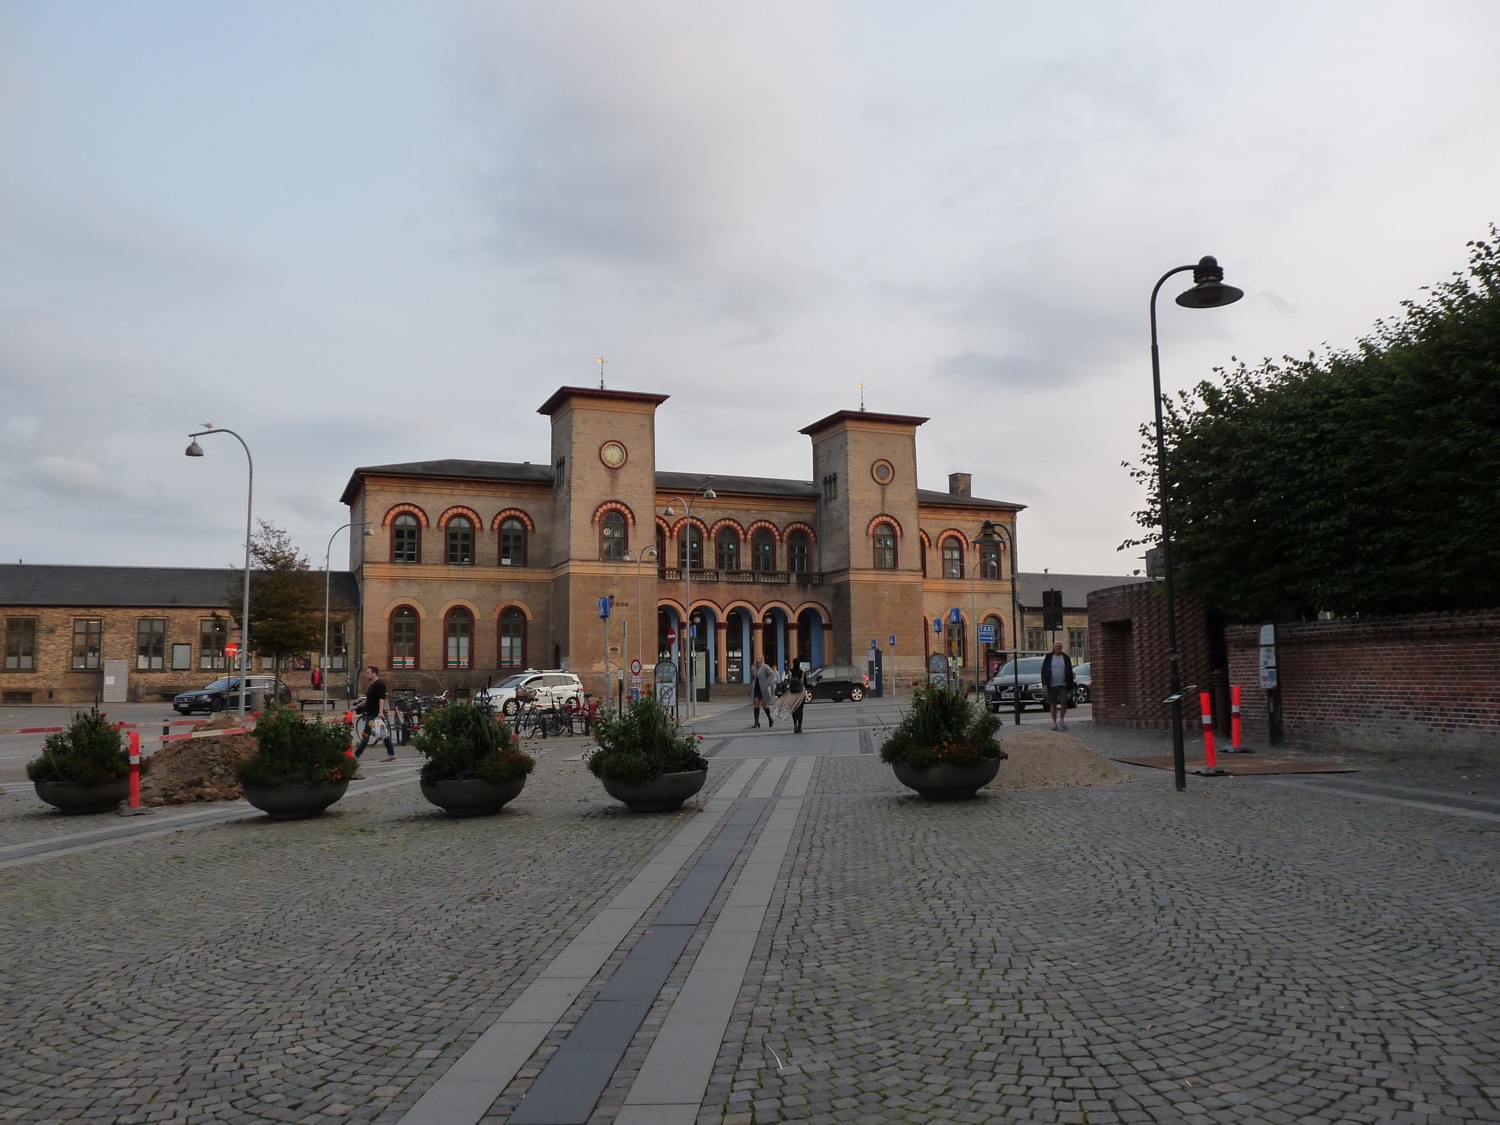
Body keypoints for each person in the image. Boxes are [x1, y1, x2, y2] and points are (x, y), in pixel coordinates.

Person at [354, 664, 396, 760]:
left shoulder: (379, 685)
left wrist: (380, 712)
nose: (366, 675)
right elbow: (368, 699)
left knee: (366, 734)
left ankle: (356, 755)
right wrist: (357, 706)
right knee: (383, 734)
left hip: (375, 714)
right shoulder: (372, 685)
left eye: (368, 673)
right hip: (371, 713)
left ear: (374, 674)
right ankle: (391, 753)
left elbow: (381, 699)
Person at [1039, 640, 1076, 731]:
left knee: (1064, 702)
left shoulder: (1065, 658)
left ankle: (1062, 720)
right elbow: (1043, 672)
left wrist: (1070, 685)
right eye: (1056, 646)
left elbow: (1069, 672)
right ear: (1054, 647)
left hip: (1063, 684)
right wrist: (1044, 684)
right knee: (1053, 704)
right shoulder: (1049, 657)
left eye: (1059, 646)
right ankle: (1054, 722)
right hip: (1051, 685)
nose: (1058, 648)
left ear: (1061, 647)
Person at [749, 657, 776, 728]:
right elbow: (752, 678)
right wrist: (752, 676)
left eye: (760, 658)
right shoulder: (754, 667)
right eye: (757, 658)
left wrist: (767, 683)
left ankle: (770, 719)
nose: (758, 660)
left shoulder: (765, 667)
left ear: (762, 659)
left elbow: (772, 675)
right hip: (756, 687)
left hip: (763, 688)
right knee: (756, 704)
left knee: (764, 705)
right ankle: (756, 722)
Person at [782, 659, 807, 734]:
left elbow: (788, 681)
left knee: (794, 709)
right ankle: (800, 725)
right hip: (801, 692)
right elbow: (805, 682)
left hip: (792, 692)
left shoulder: (790, 671)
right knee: (800, 709)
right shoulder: (802, 672)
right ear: (799, 664)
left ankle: (795, 725)